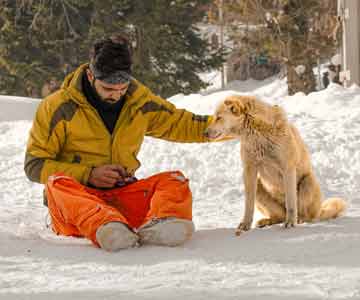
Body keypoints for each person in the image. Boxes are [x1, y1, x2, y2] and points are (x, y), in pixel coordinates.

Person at [24, 34, 212, 252]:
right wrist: (89, 174)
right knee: (57, 184)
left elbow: (182, 123)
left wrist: (236, 126)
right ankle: (106, 227)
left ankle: (163, 224)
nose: (116, 95)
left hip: (122, 198)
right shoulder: (58, 107)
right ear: (90, 75)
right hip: (78, 206)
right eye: (108, 89)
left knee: (174, 181)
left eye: (122, 89)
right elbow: (34, 165)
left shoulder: (139, 102)